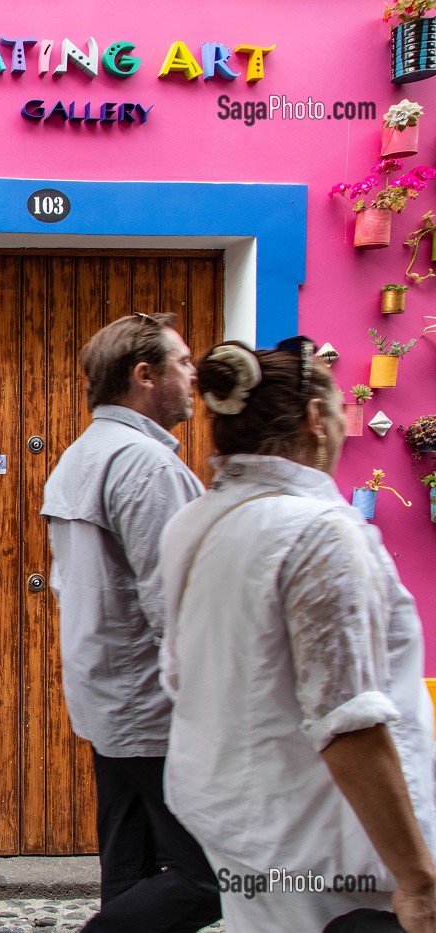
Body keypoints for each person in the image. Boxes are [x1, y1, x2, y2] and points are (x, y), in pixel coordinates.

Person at [159, 337, 436, 933]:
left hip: (242, 825)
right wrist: (417, 877)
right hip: (330, 849)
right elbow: (348, 721)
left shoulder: (196, 521)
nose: (339, 427)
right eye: (338, 412)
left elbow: (180, 673)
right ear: (315, 420)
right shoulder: (319, 533)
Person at [41, 312, 222, 932]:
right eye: (181, 362)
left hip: (110, 700)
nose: (194, 373)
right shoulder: (147, 466)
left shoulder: (83, 455)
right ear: (144, 376)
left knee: (130, 870)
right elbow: (178, 604)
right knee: (211, 879)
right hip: (157, 709)